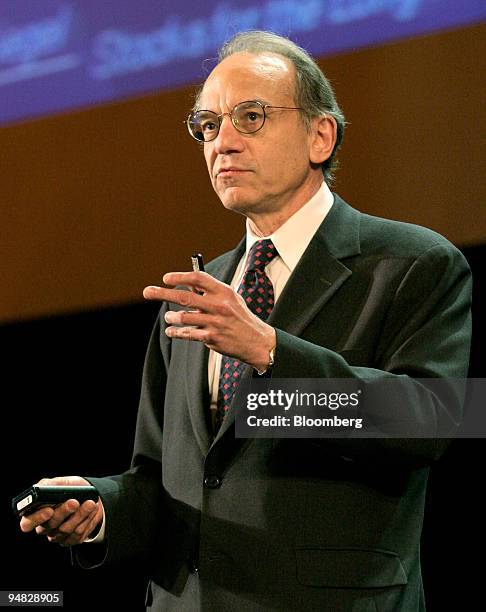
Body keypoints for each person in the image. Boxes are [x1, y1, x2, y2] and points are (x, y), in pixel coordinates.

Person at [19, 31, 472, 612]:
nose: (221, 142)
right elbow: (165, 480)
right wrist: (101, 508)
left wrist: (271, 352)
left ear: (320, 134)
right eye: (207, 126)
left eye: (250, 117)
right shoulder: (192, 300)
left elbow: (431, 421)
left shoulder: (413, 265)